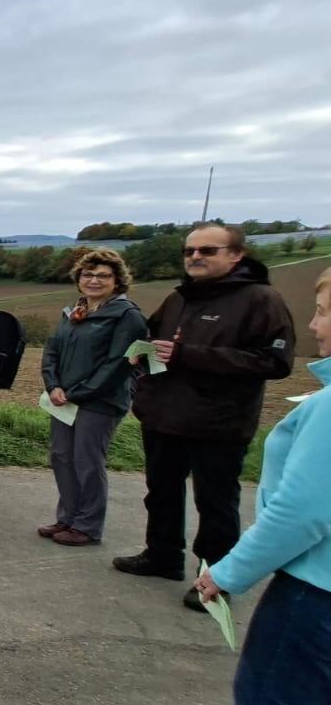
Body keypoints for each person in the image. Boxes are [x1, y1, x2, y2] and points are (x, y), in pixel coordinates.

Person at [113, 225, 296, 609]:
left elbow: (275, 361)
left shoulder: (261, 299)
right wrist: (140, 355)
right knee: (160, 492)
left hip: (218, 421)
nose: (195, 257)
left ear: (236, 255)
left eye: (208, 250)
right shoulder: (179, 297)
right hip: (164, 414)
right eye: (189, 251)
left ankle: (216, 580)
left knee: (215, 504)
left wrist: (187, 355)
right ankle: (162, 555)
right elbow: (154, 339)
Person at [195, 267, 331, 705]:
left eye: (322, 312)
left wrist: (229, 573)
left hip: (315, 594)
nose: (312, 326)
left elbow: (303, 511)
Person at [38, 250, 148, 546]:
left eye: (103, 276)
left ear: (117, 281)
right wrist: (53, 386)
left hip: (100, 402)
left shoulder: (128, 317)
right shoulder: (73, 312)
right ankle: (68, 517)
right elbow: (52, 352)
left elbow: (117, 365)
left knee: (87, 461)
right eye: (88, 275)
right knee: (61, 456)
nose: (94, 281)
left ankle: (87, 526)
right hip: (63, 399)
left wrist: (75, 393)